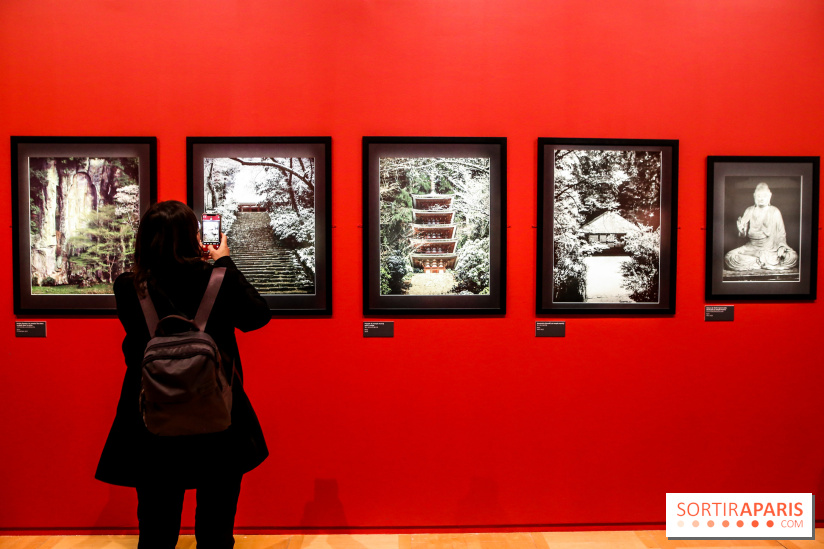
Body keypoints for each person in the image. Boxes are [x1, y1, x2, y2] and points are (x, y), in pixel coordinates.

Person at [95, 200, 271, 548]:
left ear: (144, 239)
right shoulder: (217, 279)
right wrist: (223, 261)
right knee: (216, 529)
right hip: (217, 411)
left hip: (151, 415)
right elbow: (257, 317)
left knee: (157, 529)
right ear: (194, 236)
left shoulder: (129, 286)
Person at [724, 182, 798, 271]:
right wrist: (741, 231)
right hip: (752, 249)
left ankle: (758, 263)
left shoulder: (775, 211)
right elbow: (742, 236)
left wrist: (781, 247)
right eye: (759, 196)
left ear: (769, 196)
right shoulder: (749, 210)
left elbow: (781, 234)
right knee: (729, 257)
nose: (761, 199)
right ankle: (761, 262)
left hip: (770, 250)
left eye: (764, 196)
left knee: (793, 257)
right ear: (754, 196)